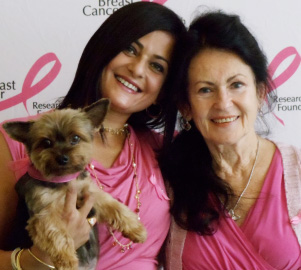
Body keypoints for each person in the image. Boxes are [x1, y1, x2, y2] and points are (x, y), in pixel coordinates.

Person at [0, 2, 186, 269]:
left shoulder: (164, 149)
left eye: (157, 67)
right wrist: (37, 259)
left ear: (164, 90)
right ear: (104, 49)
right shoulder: (19, 142)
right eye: (130, 49)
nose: (137, 69)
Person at [160, 10, 301, 270]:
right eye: (205, 90)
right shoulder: (165, 182)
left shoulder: (297, 170)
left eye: (236, 85)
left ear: (260, 92)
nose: (223, 103)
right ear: (186, 106)